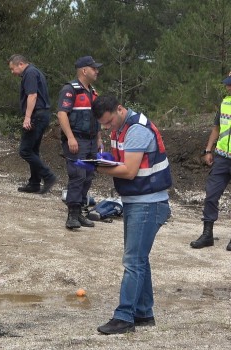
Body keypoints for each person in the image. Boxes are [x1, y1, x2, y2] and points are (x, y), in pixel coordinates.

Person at [77, 95, 171, 335]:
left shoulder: (136, 130)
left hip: (148, 204)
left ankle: (124, 317)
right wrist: (105, 160)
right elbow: (123, 161)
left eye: (109, 122)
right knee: (140, 259)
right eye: (104, 125)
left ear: (119, 109)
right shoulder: (121, 126)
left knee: (133, 262)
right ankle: (143, 312)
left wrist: (97, 166)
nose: (108, 128)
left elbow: (129, 171)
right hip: (138, 201)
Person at [57, 56, 103, 229]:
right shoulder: (70, 90)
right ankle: (72, 216)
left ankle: (82, 212)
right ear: (84, 70)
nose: (97, 71)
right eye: (94, 68)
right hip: (77, 139)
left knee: (88, 177)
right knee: (78, 176)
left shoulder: (92, 92)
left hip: (91, 141)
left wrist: (99, 138)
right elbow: (62, 114)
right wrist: (70, 137)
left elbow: (97, 117)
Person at [189, 75, 231, 251]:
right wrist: (208, 149)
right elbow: (217, 128)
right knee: (211, 194)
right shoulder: (224, 103)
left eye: (230, 85)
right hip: (222, 158)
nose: (228, 88)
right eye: (227, 85)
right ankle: (207, 235)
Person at [8, 54, 57, 194]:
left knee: (25, 150)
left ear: (21, 64)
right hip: (42, 115)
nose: (12, 72)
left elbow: (32, 95)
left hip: (37, 115)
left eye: (13, 69)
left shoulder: (29, 73)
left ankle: (48, 176)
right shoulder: (34, 72)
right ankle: (34, 183)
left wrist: (27, 117)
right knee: (33, 150)